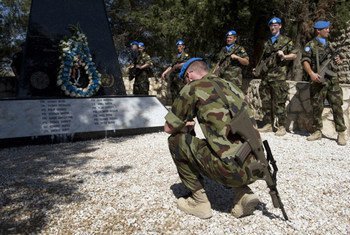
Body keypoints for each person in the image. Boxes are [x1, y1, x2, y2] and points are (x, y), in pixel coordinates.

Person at [164, 58, 262, 219]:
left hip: (231, 170)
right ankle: (243, 193)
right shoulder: (231, 86)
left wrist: (186, 126)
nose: (186, 83)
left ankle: (199, 202)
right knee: (228, 145)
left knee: (175, 140)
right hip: (256, 166)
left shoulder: (193, 88)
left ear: (189, 74)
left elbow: (168, 128)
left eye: (185, 80)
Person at [301, 20, 347, 145]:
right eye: (326, 28)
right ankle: (317, 131)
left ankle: (341, 132)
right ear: (318, 31)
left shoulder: (331, 45)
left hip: (332, 80)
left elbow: (337, 61)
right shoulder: (310, 45)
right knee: (317, 107)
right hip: (317, 80)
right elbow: (305, 61)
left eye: (328, 28)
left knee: (337, 106)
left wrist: (338, 60)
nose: (328, 30)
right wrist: (311, 74)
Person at [256, 17, 297, 136]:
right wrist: (258, 67)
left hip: (279, 76)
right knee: (266, 102)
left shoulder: (287, 41)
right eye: (271, 25)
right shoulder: (267, 42)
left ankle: (281, 126)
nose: (273, 27)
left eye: (275, 25)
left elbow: (294, 55)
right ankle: (268, 124)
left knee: (279, 102)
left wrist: (284, 56)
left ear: (280, 26)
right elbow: (263, 58)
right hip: (266, 76)